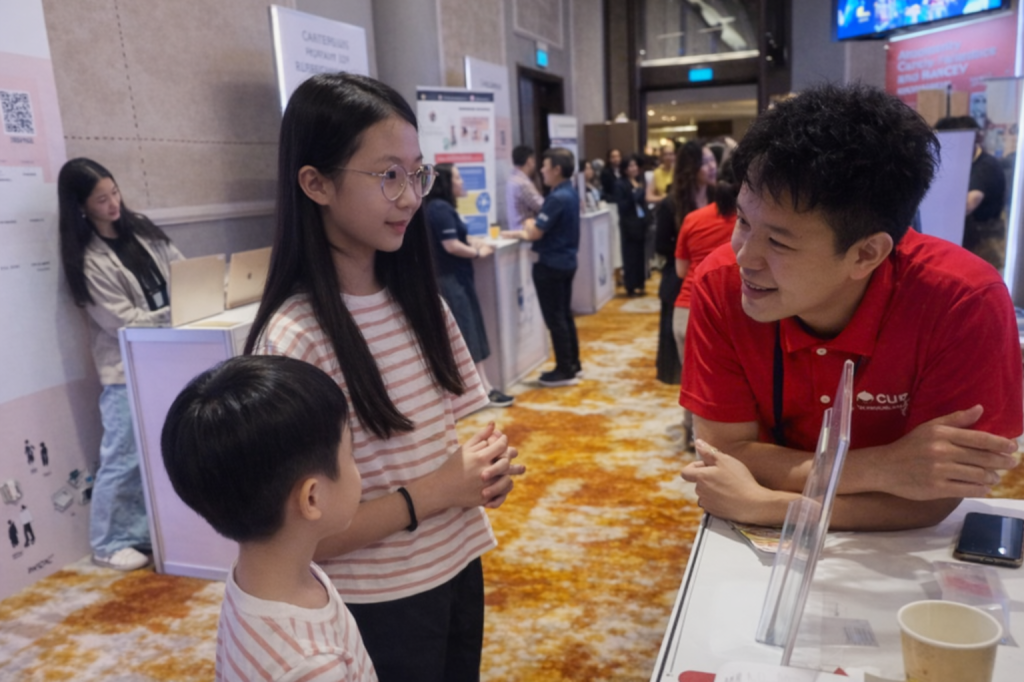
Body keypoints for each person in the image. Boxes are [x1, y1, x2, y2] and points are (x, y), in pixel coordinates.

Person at [243, 72, 523, 681]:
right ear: (315, 183)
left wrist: (482, 471)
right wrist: (442, 489)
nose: (409, 195)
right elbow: (303, 539)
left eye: (415, 173)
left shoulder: (417, 299)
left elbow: (445, 438)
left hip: (456, 564)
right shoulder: (296, 338)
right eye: (386, 175)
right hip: (378, 601)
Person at [679, 83, 1022, 532]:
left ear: (866, 254)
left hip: (902, 555)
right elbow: (726, 457)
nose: (744, 256)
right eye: (743, 221)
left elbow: (933, 495)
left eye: (778, 242)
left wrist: (768, 505)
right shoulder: (720, 283)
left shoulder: (963, 300)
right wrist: (885, 468)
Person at [161, 355, 377, 682]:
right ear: (312, 498)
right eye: (351, 454)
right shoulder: (315, 666)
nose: (356, 467)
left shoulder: (253, 577)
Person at [58, 157, 184, 571]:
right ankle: (108, 543)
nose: (113, 204)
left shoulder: (143, 229)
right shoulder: (88, 259)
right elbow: (121, 322)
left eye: (114, 193)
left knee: (163, 449)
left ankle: (147, 532)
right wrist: (174, 312)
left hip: (165, 356)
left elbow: (182, 270)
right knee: (123, 455)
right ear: (81, 207)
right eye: (101, 199)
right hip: (125, 368)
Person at [425, 163, 514, 407]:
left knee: (469, 329)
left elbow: (456, 239)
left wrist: (474, 242)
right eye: (457, 178)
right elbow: (451, 245)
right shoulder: (440, 208)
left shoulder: (439, 208)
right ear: (445, 182)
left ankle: (481, 389)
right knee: (468, 331)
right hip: (451, 281)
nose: (462, 182)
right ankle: (482, 391)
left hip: (454, 278)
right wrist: (477, 253)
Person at [669, 155, 736, 446]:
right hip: (734, 309)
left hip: (687, 307)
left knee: (692, 379)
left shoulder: (693, 219)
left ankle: (691, 434)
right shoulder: (754, 222)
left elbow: (681, 270)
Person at [503, 148, 582, 387]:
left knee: (556, 318)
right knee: (564, 315)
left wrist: (527, 224)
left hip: (551, 264)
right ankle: (572, 363)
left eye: (545, 166)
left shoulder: (557, 198)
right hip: (566, 261)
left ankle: (564, 369)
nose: (541, 170)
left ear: (557, 169)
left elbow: (536, 231)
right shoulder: (569, 193)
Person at [654, 142, 716, 386]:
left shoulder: (718, 196)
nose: (712, 167)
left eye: (713, 161)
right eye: (706, 162)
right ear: (691, 167)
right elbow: (661, 245)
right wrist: (690, 249)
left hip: (712, 276)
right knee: (680, 340)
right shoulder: (671, 203)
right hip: (680, 277)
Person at [934, 115, 1007, 270]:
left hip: (986, 244)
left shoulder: (985, 166)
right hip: (966, 239)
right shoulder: (961, 163)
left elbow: (969, 203)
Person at [614, 153, 649, 297]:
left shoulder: (640, 181)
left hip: (641, 223)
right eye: (630, 166)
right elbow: (622, 205)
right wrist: (635, 194)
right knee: (630, 256)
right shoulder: (620, 184)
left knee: (640, 255)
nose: (633, 168)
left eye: (635, 165)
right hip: (628, 224)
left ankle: (640, 283)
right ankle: (630, 286)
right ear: (624, 169)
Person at [506, 144, 544, 231]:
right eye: (534, 160)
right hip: (526, 234)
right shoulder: (523, 183)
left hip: (516, 230)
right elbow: (541, 206)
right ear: (529, 161)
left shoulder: (512, 179)